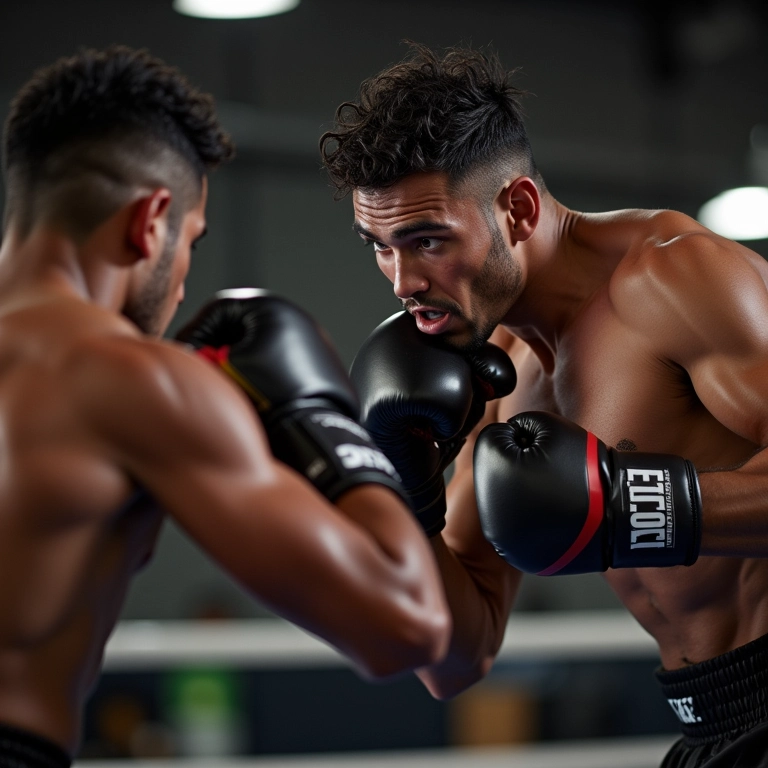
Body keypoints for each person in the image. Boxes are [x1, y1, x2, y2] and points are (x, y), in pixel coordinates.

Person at [0, 45, 456, 767]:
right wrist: (318, 416)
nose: (182, 284)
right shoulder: (127, 377)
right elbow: (406, 623)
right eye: (189, 241)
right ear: (151, 221)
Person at [320, 43, 768, 767]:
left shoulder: (673, 277)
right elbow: (457, 660)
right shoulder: (498, 377)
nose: (402, 280)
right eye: (379, 246)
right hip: (711, 725)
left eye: (426, 240)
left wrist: (624, 508)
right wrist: (408, 491)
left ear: (518, 208)